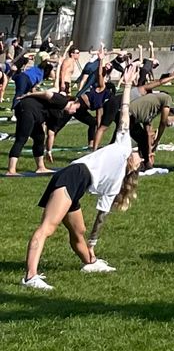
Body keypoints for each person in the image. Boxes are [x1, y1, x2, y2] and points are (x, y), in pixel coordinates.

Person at [22, 76, 141, 290]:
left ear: (133, 168)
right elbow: (124, 112)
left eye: (139, 158)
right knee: (47, 228)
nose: (137, 154)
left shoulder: (115, 182)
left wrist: (93, 244)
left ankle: (90, 262)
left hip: (77, 183)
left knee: (79, 231)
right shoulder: (124, 145)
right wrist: (128, 84)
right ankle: (30, 276)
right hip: (73, 175)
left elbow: (101, 218)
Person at [8, 91, 79, 177]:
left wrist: (48, 151)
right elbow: (46, 94)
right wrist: (29, 94)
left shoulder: (59, 114)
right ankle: (11, 170)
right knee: (22, 138)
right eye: (76, 108)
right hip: (27, 108)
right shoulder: (62, 101)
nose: (75, 111)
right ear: (72, 102)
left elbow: (51, 133)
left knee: (40, 137)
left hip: (35, 115)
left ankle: (41, 167)